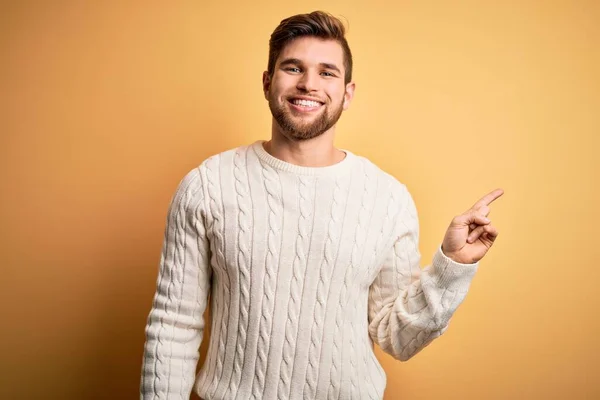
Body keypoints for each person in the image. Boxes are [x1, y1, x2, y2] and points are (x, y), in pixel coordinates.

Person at [140, 10, 503, 400]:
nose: (308, 84)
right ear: (267, 83)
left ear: (347, 93)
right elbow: (174, 325)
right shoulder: (207, 185)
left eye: (327, 72)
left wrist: (452, 267)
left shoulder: (388, 198)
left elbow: (397, 338)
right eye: (293, 68)